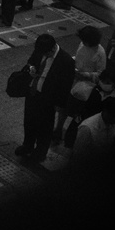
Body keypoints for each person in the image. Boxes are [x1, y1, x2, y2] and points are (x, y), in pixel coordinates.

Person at [16, 33, 75, 164]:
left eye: (46, 54)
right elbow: (31, 61)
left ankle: (40, 152)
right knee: (29, 121)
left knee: (44, 127)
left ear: (53, 48)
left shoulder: (66, 61)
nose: (43, 55)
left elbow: (66, 85)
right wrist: (31, 68)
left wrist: (59, 104)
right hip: (33, 93)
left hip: (48, 99)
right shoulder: (41, 50)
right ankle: (27, 145)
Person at [53, 25, 107, 146]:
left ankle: (73, 136)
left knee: (76, 112)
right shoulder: (82, 44)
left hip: (86, 87)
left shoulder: (100, 53)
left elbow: (100, 75)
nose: (82, 42)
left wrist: (85, 75)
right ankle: (58, 130)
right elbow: (78, 59)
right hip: (73, 79)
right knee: (63, 108)